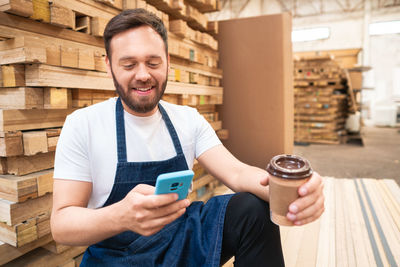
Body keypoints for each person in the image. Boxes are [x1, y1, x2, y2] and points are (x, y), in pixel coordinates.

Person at [50, 8, 324, 267]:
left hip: (183, 242)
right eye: (129, 64)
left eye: (153, 62)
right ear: (109, 66)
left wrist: (290, 193)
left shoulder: (187, 119)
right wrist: (120, 216)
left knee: (253, 208)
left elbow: (238, 174)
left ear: (168, 62)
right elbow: (61, 224)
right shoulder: (83, 125)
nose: (143, 75)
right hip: (118, 256)